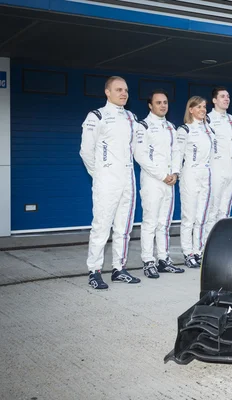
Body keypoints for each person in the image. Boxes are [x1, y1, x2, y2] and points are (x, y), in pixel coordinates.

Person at [80, 76, 142, 289]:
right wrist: (99, 174)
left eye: (126, 90)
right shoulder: (96, 116)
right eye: (118, 89)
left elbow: (136, 150)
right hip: (107, 180)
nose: (124, 93)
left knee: (124, 227)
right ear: (107, 92)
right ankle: (94, 271)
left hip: (128, 180)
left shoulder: (132, 117)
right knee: (101, 226)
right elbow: (86, 151)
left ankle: (119, 268)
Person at [135, 89, 185, 278]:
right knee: (150, 223)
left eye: (165, 102)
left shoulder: (171, 127)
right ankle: (148, 261)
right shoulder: (143, 126)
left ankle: (164, 259)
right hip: (152, 181)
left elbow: (177, 152)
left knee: (164, 223)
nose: (163, 105)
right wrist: (162, 175)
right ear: (150, 105)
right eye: (158, 102)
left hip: (169, 182)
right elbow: (140, 155)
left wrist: (175, 172)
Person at [177, 96, 214, 268]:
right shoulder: (184, 130)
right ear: (190, 109)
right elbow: (177, 154)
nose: (202, 109)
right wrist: (175, 173)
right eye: (198, 107)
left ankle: (198, 251)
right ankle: (187, 252)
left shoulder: (209, 130)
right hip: (190, 174)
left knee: (202, 217)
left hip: (205, 174)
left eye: (204, 107)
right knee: (189, 217)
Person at [206, 86, 232, 235]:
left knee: (225, 209)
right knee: (212, 209)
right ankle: (206, 244)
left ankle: (221, 242)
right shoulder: (207, 119)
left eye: (228, 96)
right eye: (223, 96)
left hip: (230, 167)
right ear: (214, 100)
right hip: (215, 167)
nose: (227, 99)